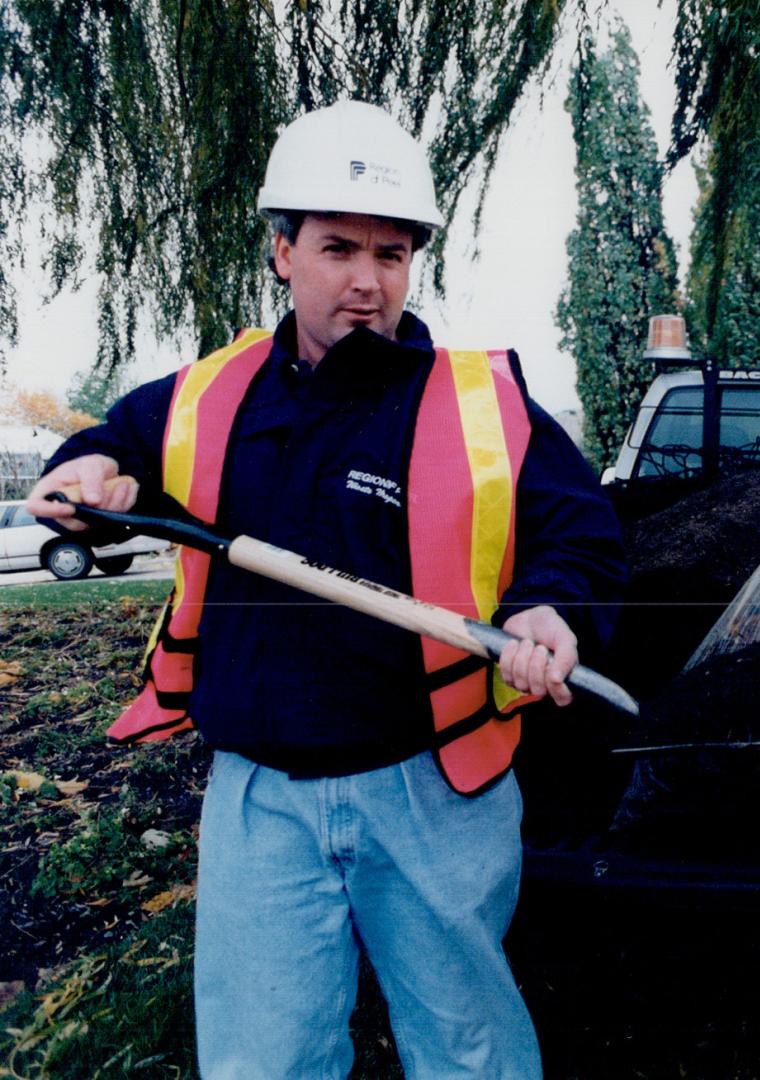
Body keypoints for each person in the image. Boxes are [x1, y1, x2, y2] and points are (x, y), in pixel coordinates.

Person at [27, 100, 625, 1078]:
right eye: (339, 248)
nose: (365, 281)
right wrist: (86, 477)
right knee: (263, 1060)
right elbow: (101, 453)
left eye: (391, 255)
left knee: (470, 1054)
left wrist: (547, 607)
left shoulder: (485, 402)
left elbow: (581, 534)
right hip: (260, 797)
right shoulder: (203, 396)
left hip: (433, 785)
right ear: (282, 253)